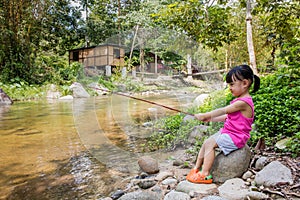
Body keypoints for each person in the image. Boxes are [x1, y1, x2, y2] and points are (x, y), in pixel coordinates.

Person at [186, 64, 260, 184]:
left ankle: (205, 174)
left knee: (210, 144)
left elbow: (223, 110)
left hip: (236, 137)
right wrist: (210, 119)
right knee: (206, 142)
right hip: (229, 132)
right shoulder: (239, 100)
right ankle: (196, 168)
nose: (229, 88)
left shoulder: (243, 102)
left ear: (245, 83)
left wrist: (206, 115)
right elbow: (228, 116)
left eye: (232, 84)